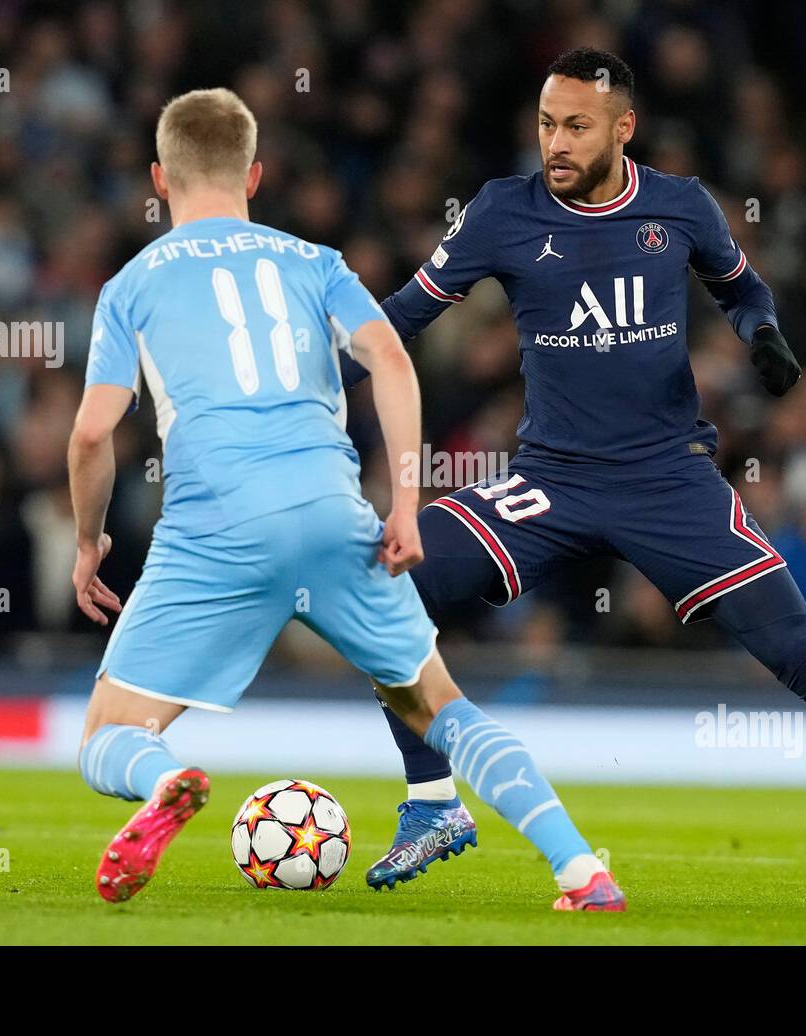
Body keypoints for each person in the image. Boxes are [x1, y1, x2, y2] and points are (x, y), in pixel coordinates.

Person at [349, 48, 806, 908]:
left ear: (624, 128)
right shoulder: (503, 213)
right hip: (552, 481)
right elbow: (396, 322)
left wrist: (763, 335)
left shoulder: (680, 206)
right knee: (387, 579)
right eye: (547, 123)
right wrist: (309, 381)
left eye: (576, 125)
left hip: (668, 481)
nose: (556, 142)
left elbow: (743, 289)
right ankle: (432, 802)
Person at [68, 87, 624, 911]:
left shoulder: (131, 286)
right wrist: (404, 504)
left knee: (108, 734)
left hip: (214, 530)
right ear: (254, 174)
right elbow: (393, 363)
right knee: (441, 707)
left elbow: (89, 436)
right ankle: (583, 871)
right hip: (335, 513)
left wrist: (88, 543)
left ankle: (165, 779)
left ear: (159, 177)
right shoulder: (313, 262)